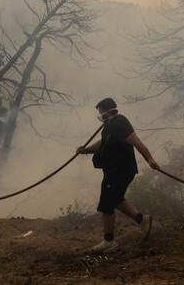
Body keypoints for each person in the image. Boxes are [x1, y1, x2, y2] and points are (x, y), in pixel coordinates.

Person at [76, 97, 160, 252]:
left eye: (100, 112)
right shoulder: (108, 126)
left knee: (107, 203)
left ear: (106, 111)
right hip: (112, 171)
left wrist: (150, 159)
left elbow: (136, 142)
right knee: (116, 199)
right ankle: (143, 221)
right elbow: (102, 143)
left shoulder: (120, 123)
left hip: (120, 171)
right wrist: (86, 150)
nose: (99, 115)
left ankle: (109, 242)